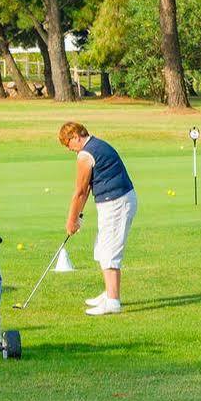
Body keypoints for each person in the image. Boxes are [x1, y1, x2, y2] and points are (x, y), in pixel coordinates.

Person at [61, 121, 135, 315]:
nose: (70, 149)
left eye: (68, 143)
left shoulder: (86, 154)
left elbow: (80, 192)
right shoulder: (97, 145)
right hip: (114, 201)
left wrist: (71, 220)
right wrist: (76, 217)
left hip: (117, 203)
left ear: (76, 136)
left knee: (110, 252)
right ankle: (109, 293)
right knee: (102, 247)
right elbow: (85, 191)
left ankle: (113, 302)